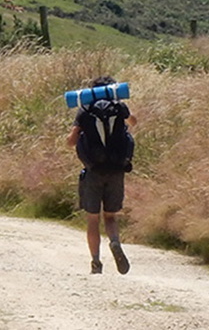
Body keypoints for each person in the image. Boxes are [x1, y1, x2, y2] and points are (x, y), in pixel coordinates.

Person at [66, 76, 135, 275]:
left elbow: (71, 141)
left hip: (93, 171)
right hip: (116, 170)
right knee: (111, 217)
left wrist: (71, 138)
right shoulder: (118, 107)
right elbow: (134, 122)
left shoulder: (85, 110)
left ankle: (96, 262)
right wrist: (126, 112)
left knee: (93, 219)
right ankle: (114, 242)